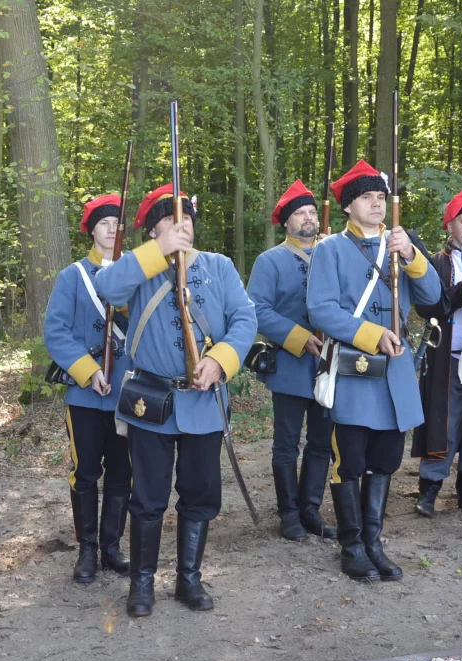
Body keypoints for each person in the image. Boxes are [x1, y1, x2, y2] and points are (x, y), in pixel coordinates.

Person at [95, 183, 256, 618]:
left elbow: (244, 318)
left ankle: (189, 579)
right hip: (152, 402)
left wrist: (221, 361)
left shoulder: (219, 267)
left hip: (204, 402)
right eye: (166, 224)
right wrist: (155, 253)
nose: (178, 230)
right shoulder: (139, 269)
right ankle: (141, 584)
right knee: (147, 498)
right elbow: (107, 288)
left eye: (183, 223)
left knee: (200, 494)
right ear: (152, 232)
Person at [306, 160, 441, 581]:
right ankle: (351, 546)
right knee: (350, 462)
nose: (376, 204)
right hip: (353, 369)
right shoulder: (329, 249)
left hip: (395, 374)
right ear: (348, 206)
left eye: (381, 197)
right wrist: (369, 334)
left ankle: (373, 542)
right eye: (367, 198)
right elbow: (321, 309)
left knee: (385, 461)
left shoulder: (399, 243)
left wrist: (413, 255)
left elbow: (433, 297)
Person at [44, 193, 133, 583]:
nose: (112, 229)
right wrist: (87, 370)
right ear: (91, 230)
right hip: (85, 392)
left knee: (122, 471)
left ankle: (112, 546)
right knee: (85, 472)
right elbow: (57, 331)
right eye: (104, 223)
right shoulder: (72, 276)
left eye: (117, 223)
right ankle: (87, 548)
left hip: (128, 392)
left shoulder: (138, 273)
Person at [247, 179, 335, 541]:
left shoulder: (333, 254)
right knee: (286, 443)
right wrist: (299, 338)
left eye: (312, 212)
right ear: (287, 222)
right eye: (300, 213)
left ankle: (310, 508)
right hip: (291, 364)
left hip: (330, 363)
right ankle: (288, 513)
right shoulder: (270, 261)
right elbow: (256, 310)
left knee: (321, 442)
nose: (308, 218)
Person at [412, 190, 462, 517]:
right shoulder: (437, 263)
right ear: (450, 226)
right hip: (450, 357)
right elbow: (431, 307)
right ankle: (430, 487)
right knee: (446, 423)